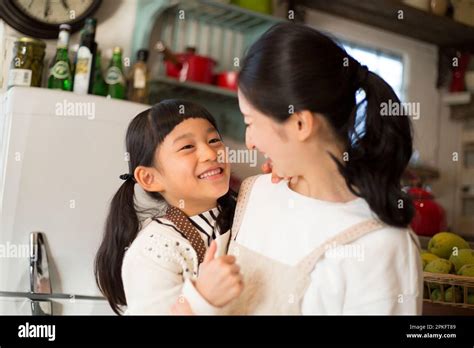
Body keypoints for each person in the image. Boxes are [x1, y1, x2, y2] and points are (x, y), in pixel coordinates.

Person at [223, 23, 423, 314]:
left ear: (300, 124)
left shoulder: (381, 244)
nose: (249, 142)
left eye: (250, 122)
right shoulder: (255, 194)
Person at [94, 99, 242, 315]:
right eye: (188, 147)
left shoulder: (245, 208)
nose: (211, 154)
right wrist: (203, 298)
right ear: (150, 178)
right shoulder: (154, 250)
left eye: (213, 140)